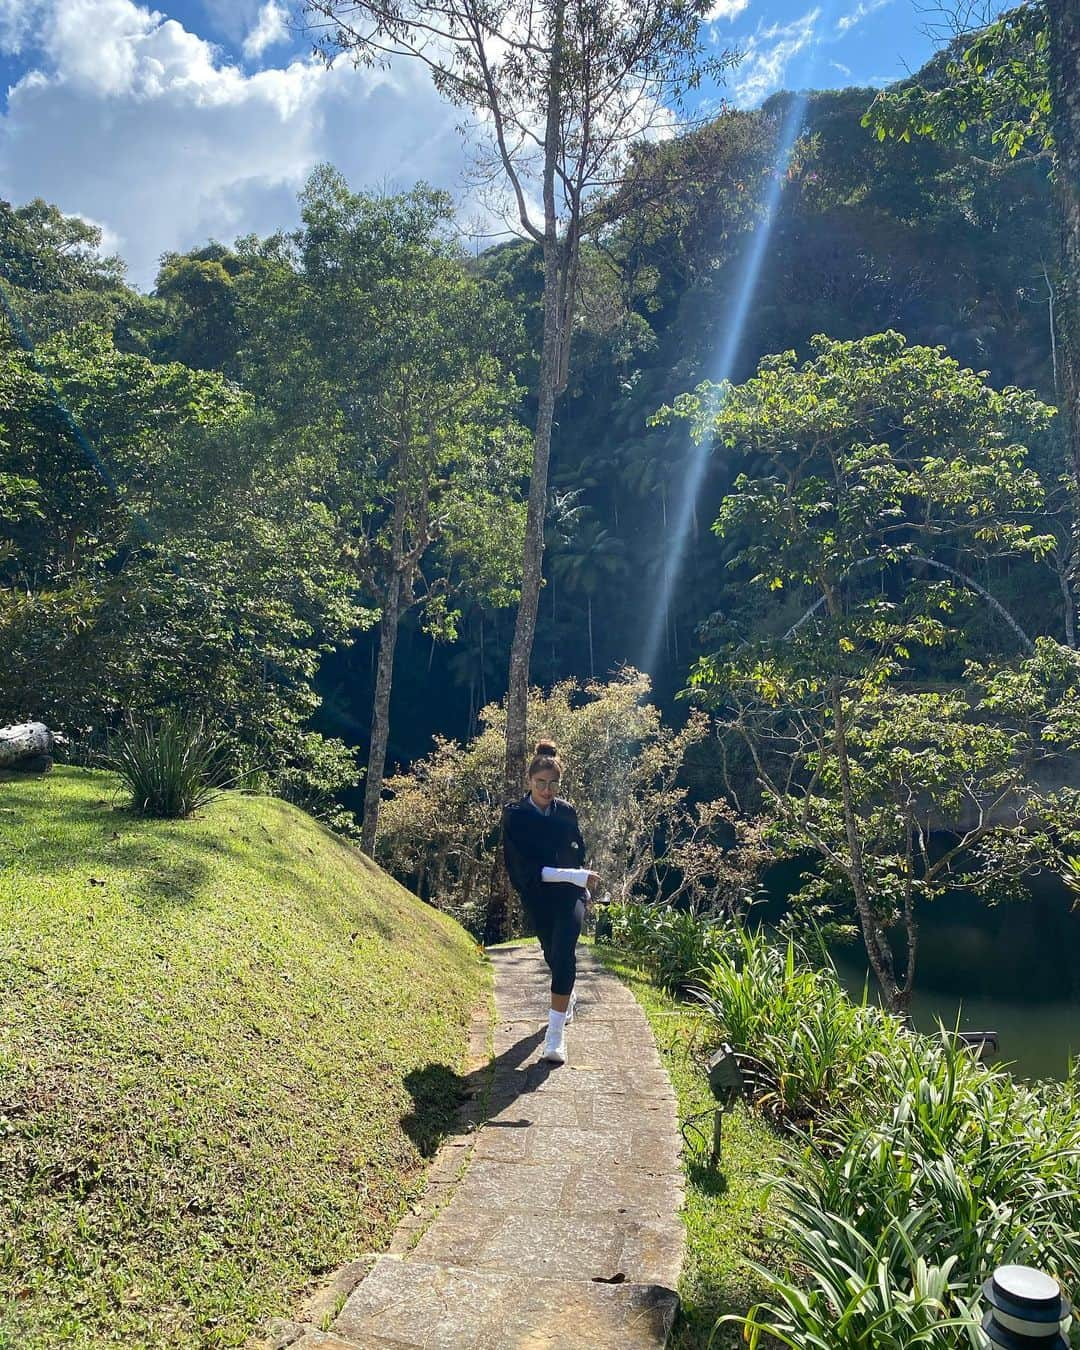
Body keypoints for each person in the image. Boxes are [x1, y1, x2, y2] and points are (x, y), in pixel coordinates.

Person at [502, 739, 601, 1065]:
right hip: (539, 896)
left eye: (553, 783)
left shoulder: (567, 812)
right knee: (550, 954)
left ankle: (555, 1036)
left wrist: (581, 885)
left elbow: (578, 850)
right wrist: (574, 876)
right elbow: (523, 869)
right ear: (529, 781)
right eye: (541, 783)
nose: (547, 790)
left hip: (569, 897)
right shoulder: (516, 817)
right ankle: (567, 996)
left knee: (564, 956)